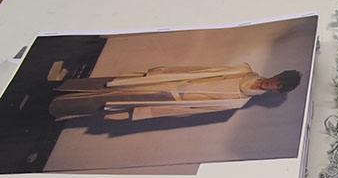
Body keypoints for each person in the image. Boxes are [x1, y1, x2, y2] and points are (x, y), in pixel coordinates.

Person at [48, 63, 301, 121]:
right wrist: (165, 71)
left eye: (277, 86)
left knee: (112, 101)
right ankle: (61, 86)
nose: (272, 84)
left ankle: (57, 107)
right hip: (174, 80)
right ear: (275, 75)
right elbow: (201, 69)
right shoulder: (243, 69)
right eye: (276, 80)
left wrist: (152, 111)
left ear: (276, 92)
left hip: (171, 98)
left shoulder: (238, 102)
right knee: (115, 84)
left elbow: (192, 110)